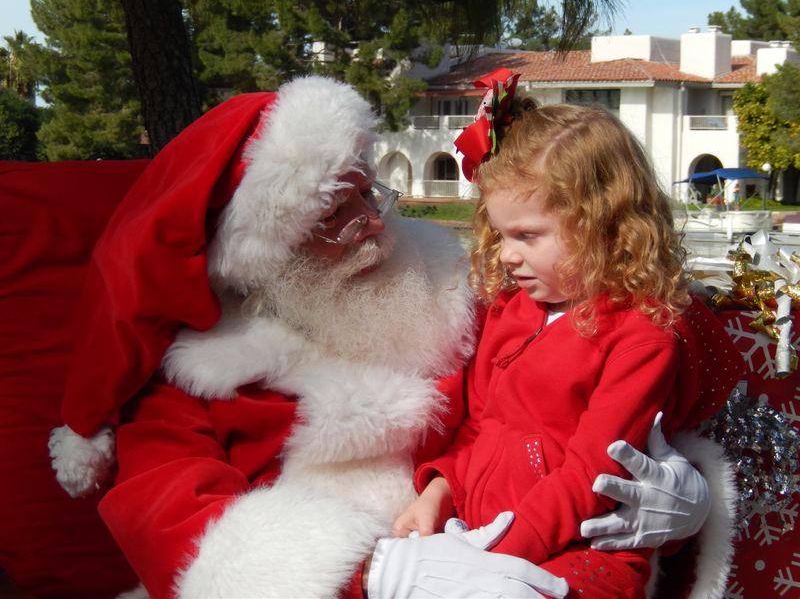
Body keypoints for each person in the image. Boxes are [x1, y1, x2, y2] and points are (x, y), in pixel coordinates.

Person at [43, 75, 736, 598]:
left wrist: (681, 491)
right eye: (332, 213)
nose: (371, 224)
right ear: (264, 248)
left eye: (366, 194)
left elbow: (653, 336)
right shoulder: (196, 371)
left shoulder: (457, 282)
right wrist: (378, 572)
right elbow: (176, 518)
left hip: (509, 543)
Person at [383, 88, 743, 598]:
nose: (507, 255)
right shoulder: (511, 312)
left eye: (528, 236)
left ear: (605, 226)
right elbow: (481, 427)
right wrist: (438, 493)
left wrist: (494, 557)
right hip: (479, 536)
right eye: (501, 234)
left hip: (581, 555)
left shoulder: (641, 337)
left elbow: (592, 473)